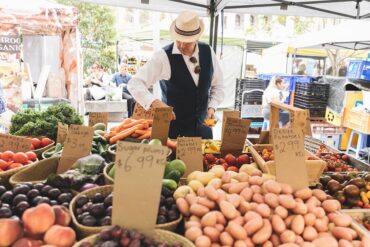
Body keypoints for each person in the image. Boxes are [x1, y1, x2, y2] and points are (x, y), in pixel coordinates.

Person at [127, 11, 225, 139]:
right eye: (179, 40)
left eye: (187, 41)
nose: (182, 45)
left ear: (197, 38)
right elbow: (134, 83)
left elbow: (218, 85)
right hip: (173, 132)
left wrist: (212, 107)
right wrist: (155, 103)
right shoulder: (163, 56)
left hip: (203, 132)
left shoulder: (208, 51)